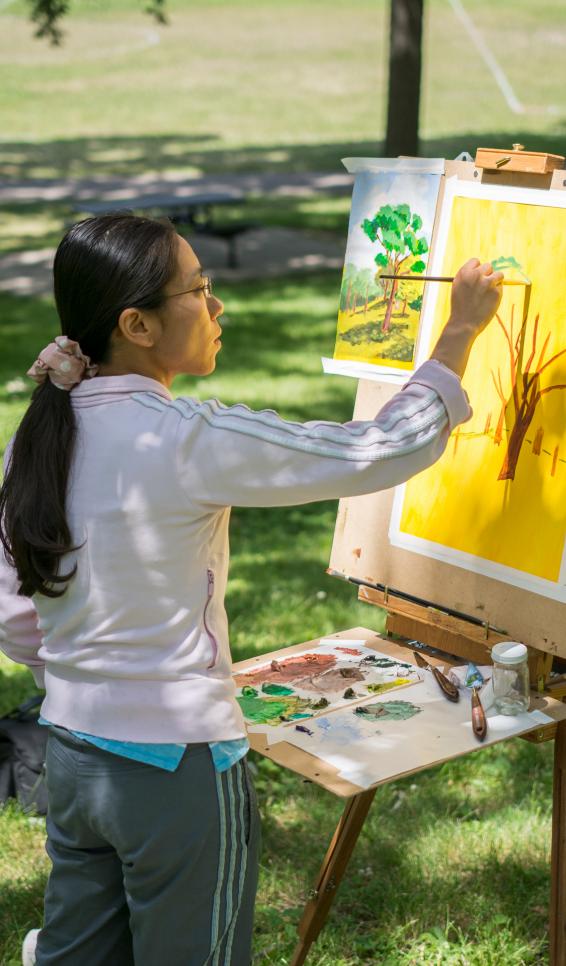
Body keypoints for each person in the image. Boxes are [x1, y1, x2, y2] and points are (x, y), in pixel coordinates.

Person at [0, 212, 502, 966]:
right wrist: (459, 333)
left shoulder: (40, 432)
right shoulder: (181, 437)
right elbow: (375, 449)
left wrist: (83, 678)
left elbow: (12, 611)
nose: (217, 305)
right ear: (136, 324)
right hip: (177, 768)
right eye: (198, 288)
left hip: (73, 753)